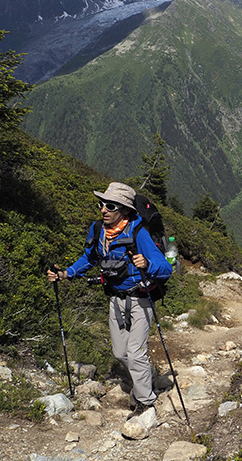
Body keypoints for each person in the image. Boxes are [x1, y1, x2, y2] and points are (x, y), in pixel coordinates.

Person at [47, 182, 173, 424]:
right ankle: (144, 379)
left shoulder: (139, 234)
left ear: (124, 210)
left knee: (135, 352)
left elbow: (165, 268)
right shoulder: (98, 231)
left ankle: (145, 403)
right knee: (120, 352)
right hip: (116, 299)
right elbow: (89, 258)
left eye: (110, 205)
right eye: (101, 204)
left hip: (141, 299)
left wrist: (147, 265)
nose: (104, 209)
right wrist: (66, 274)